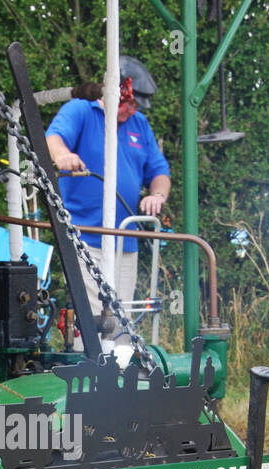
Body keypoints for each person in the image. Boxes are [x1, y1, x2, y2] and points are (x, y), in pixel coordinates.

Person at [45, 55, 171, 319]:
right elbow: (53, 138)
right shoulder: (80, 109)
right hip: (85, 239)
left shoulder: (140, 125)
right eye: (131, 104)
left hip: (126, 242)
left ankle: (121, 361)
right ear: (114, 91)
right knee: (93, 322)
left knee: (122, 323)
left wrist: (157, 195)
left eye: (137, 106)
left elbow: (159, 171)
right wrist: (62, 156)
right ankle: (90, 358)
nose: (133, 111)